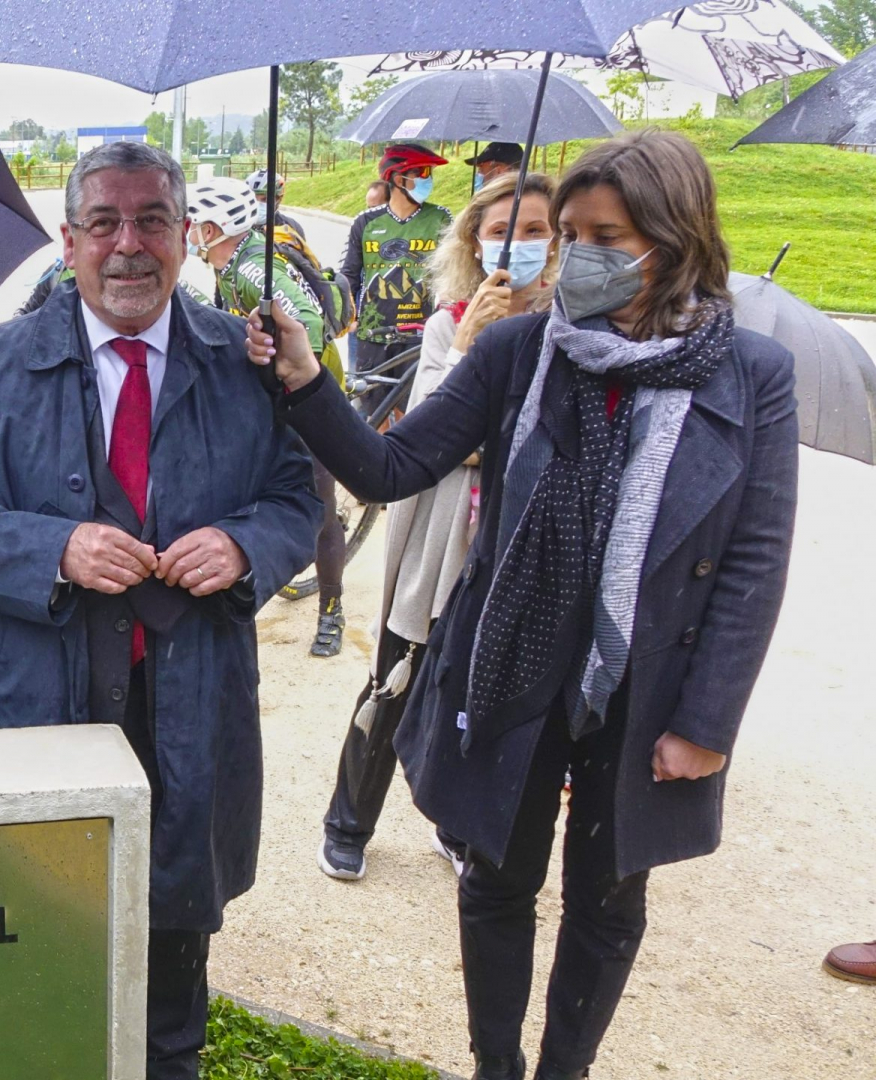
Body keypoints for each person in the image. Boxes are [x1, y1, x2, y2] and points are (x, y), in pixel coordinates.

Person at [246, 129, 798, 1080]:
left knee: (610, 897)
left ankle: (563, 1070)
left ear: (674, 238)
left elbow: (754, 558)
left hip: (645, 683)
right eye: (569, 233)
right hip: (513, 657)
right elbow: (393, 463)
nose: (574, 256)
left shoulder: (750, 372)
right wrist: (303, 377)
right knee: (497, 878)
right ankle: (496, 1065)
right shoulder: (519, 348)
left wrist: (707, 722)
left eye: (604, 236)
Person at [0, 142, 320, 1080]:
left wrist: (245, 544)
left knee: (173, 940)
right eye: (104, 223)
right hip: (44, 700)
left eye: (151, 221)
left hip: (187, 697)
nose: (127, 246)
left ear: (186, 237)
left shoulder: (241, 360)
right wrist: (55, 547)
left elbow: (298, 502)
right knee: (35, 929)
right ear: (69, 239)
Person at [317, 172, 560, 882]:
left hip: (514, 531)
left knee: (486, 683)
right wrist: (469, 352)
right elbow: (420, 435)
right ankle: (349, 822)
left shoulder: (568, 330)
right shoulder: (451, 322)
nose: (517, 243)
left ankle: (457, 824)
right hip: (440, 527)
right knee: (397, 674)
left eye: (538, 229)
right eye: (500, 230)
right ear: (473, 242)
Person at [182, 177, 350, 657]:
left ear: (212, 228)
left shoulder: (255, 268)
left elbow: (310, 328)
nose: (188, 231)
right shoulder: (229, 264)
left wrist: (285, 373)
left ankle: (332, 611)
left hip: (308, 397)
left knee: (319, 505)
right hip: (276, 398)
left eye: (192, 223)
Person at [339, 143, 453, 385]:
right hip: (372, 333)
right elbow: (350, 274)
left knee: (410, 411)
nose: (428, 180)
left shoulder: (441, 218)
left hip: (420, 336)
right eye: (421, 173)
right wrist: (349, 317)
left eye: (430, 174)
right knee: (372, 409)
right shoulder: (366, 221)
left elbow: (452, 273)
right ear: (397, 178)